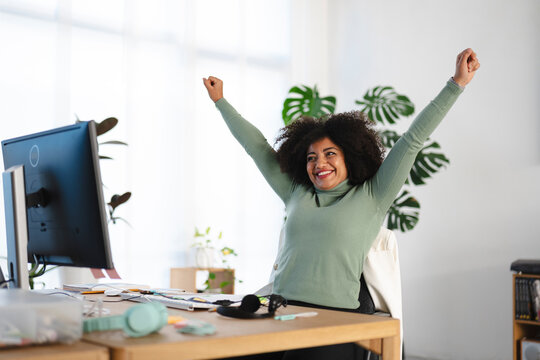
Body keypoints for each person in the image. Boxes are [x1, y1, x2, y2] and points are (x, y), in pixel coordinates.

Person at [203, 48, 480, 360]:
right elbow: (258, 148)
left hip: (333, 320)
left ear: (350, 155)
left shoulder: (372, 197)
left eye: (329, 153)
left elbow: (413, 140)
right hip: (279, 310)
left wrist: (456, 83)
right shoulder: (297, 193)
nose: (319, 163)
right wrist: (221, 102)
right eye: (311, 157)